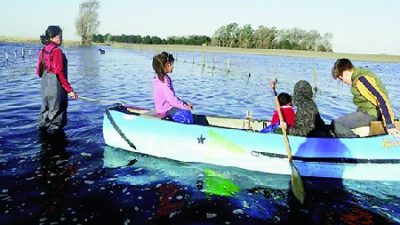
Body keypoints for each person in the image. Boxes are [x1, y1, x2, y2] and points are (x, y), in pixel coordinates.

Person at [331, 58, 400, 138]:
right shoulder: (358, 78)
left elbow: (381, 99)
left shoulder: (362, 80)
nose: (343, 82)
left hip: (372, 114)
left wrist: (389, 125)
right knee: (335, 124)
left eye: (341, 78)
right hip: (368, 112)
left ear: (345, 73)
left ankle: (355, 144)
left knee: (338, 124)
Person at [36, 25, 78, 134]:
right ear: (52, 38)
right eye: (60, 37)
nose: (61, 39)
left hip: (45, 86)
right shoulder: (57, 51)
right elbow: (59, 72)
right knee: (57, 116)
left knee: (45, 113)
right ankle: (55, 147)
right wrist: (70, 90)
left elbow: (38, 71)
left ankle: (43, 143)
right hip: (56, 87)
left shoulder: (43, 50)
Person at [152, 51, 193, 124]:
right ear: (167, 65)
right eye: (172, 64)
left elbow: (172, 97)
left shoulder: (161, 77)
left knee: (186, 111)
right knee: (186, 114)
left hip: (167, 108)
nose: (173, 67)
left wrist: (185, 104)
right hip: (165, 111)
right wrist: (186, 107)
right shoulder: (164, 80)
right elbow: (172, 100)